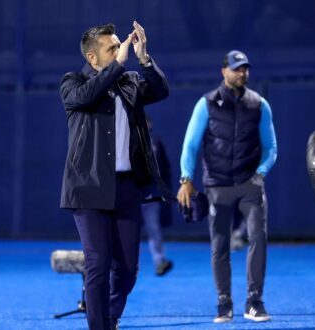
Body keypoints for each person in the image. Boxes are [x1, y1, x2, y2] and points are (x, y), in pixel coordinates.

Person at [58, 22, 169, 330]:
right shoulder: (73, 82)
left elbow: (161, 90)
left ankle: (109, 316)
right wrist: (119, 65)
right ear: (93, 58)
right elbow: (86, 97)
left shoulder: (129, 81)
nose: (121, 50)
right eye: (113, 47)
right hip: (88, 188)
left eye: (121, 45)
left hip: (126, 187)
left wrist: (144, 59)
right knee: (98, 264)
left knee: (128, 270)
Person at [177, 50, 278, 323]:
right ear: (223, 71)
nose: (241, 73)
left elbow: (271, 148)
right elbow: (190, 145)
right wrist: (186, 178)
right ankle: (224, 303)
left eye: (245, 68)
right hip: (217, 186)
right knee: (219, 246)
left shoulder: (259, 104)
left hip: (249, 184)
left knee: (258, 237)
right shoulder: (207, 104)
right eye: (236, 69)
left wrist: (261, 173)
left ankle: (254, 302)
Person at [141, 118, 174, 276]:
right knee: (126, 231)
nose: (146, 125)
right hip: (130, 195)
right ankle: (121, 265)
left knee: (154, 229)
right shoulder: (125, 139)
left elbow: (165, 168)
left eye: (148, 122)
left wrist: (165, 191)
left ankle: (159, 261)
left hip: (151, 195)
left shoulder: (156, 141)